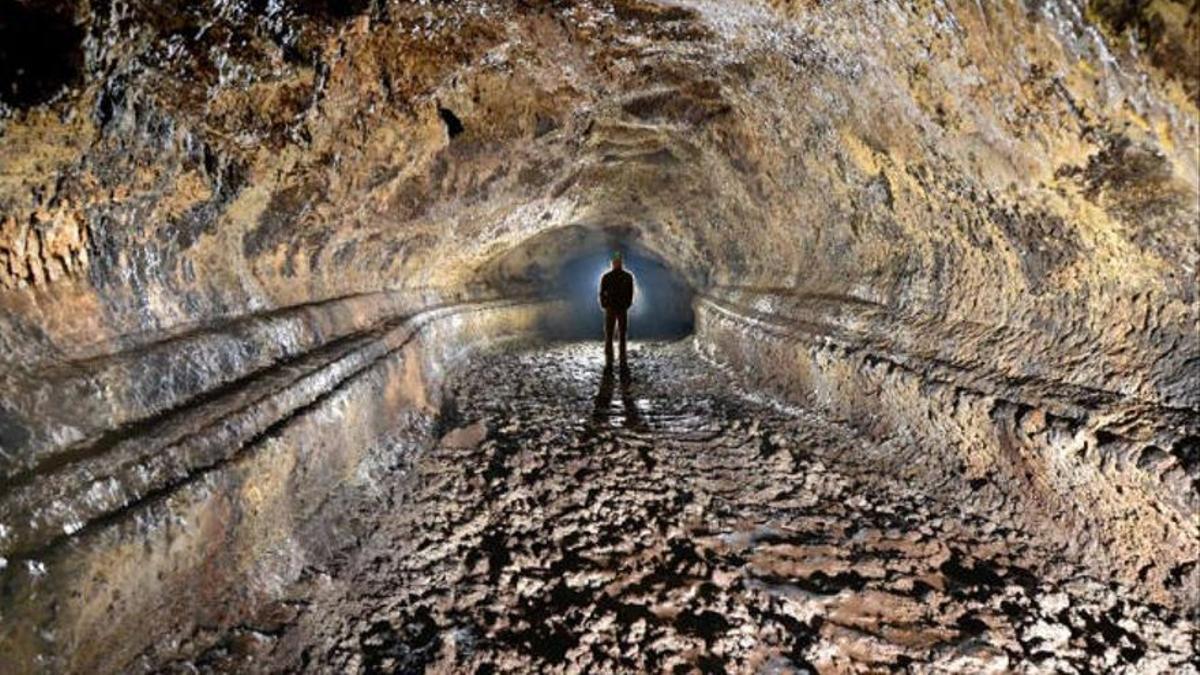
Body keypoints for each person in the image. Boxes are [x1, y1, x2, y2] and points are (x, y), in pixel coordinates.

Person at [598, 251, 634, 367]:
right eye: (615, 262)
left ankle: (622, 354)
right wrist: (604, 304)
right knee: (609, 332)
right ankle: (609, 354)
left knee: (622, 332)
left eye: (618, 262)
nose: (617, 264)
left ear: (621, 263)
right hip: (611, 307)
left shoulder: (627, 277)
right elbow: (602, 292)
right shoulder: (607, 277)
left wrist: (627, 304)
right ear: (612, 263)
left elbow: (630, 292)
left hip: (621, 307)